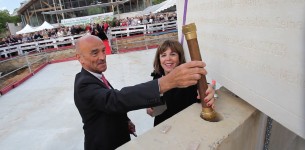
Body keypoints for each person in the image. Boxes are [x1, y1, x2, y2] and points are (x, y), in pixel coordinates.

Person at [74, 35, 214, 150]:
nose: (102, 57)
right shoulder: (84, 84)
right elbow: (114, 99)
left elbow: (203, 90)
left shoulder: (95, 76)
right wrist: (166, 82)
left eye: (104, 51)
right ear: (79, 58)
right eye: (95, 53)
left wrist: (209, 91)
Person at [146, 40, 216, 126]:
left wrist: (209, 89)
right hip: (162, 128)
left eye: (173, 54)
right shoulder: (156, 78)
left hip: (185, 128)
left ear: (180, 58)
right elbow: (153, 112)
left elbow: (203, 88)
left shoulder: (189, 78)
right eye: (163, 55)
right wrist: (150, 109)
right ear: (159, 59)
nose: (168, 58)